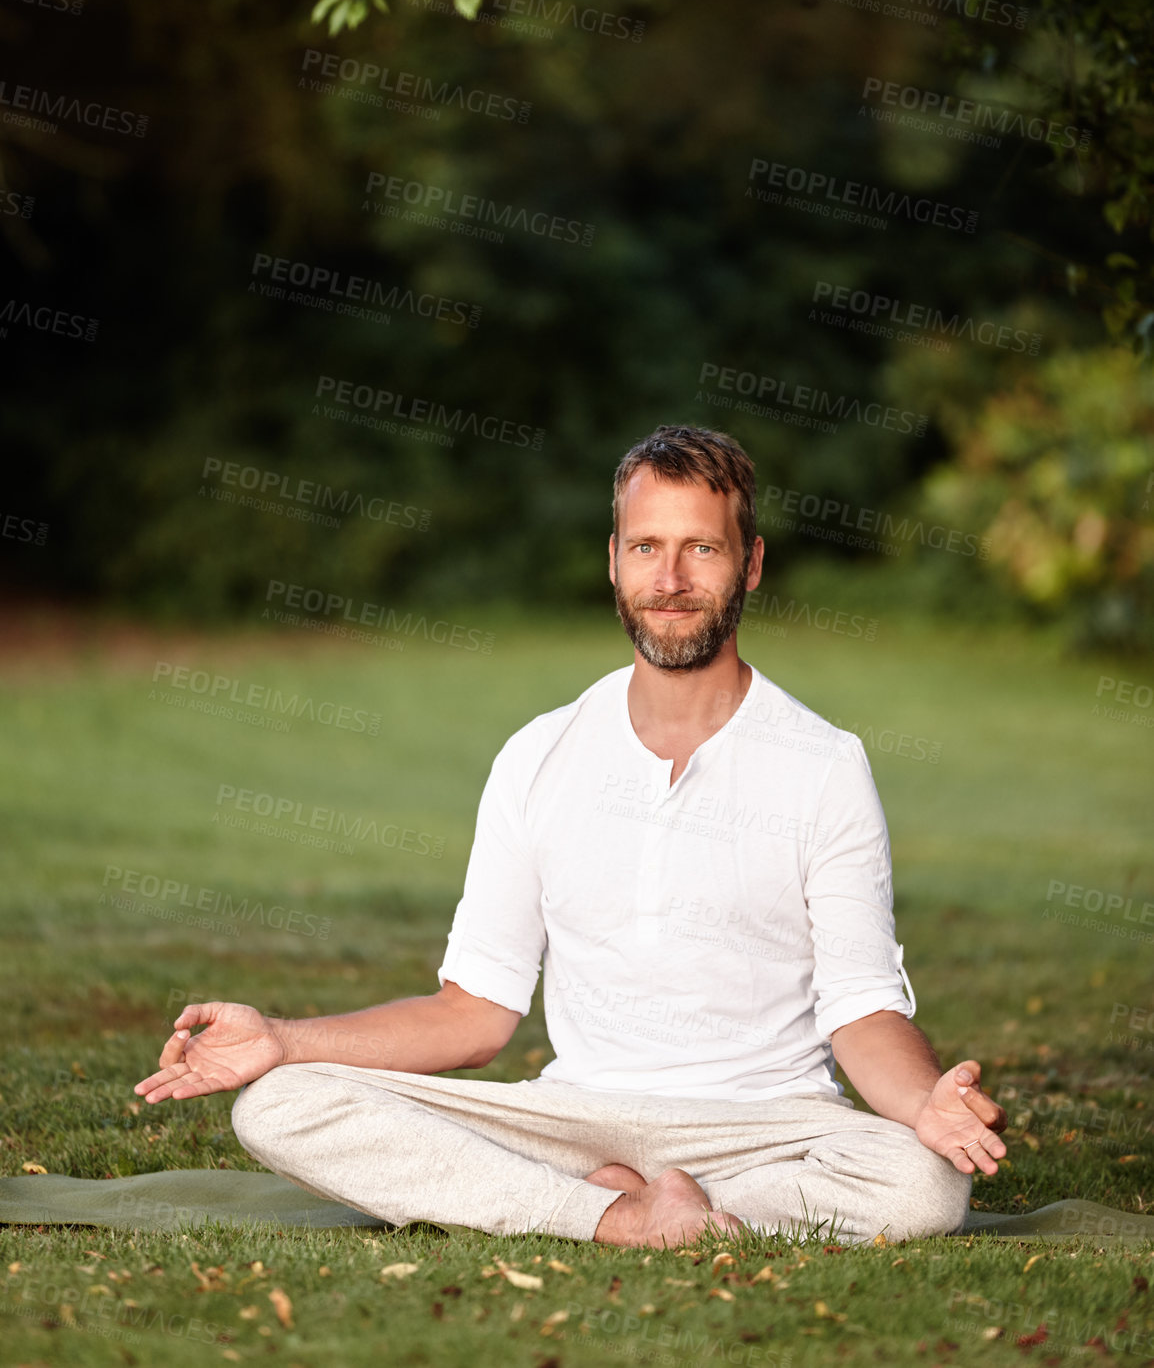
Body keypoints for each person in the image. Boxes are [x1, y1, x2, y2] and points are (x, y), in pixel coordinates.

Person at [136, 424, 1006, 1248]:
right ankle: (628, 1215)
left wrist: (926, 1103)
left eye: (700, 547)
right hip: (575, 1118)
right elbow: (473, 1016)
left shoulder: (824, 764)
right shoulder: (538, 754)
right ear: (614, 563)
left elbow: (861, 1010)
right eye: (644, 548)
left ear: (750, 566)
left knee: (923, 1182)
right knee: (280, 1103)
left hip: (766, 1126)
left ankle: (623, 1205)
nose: (669, 578)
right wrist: (284, 1040)